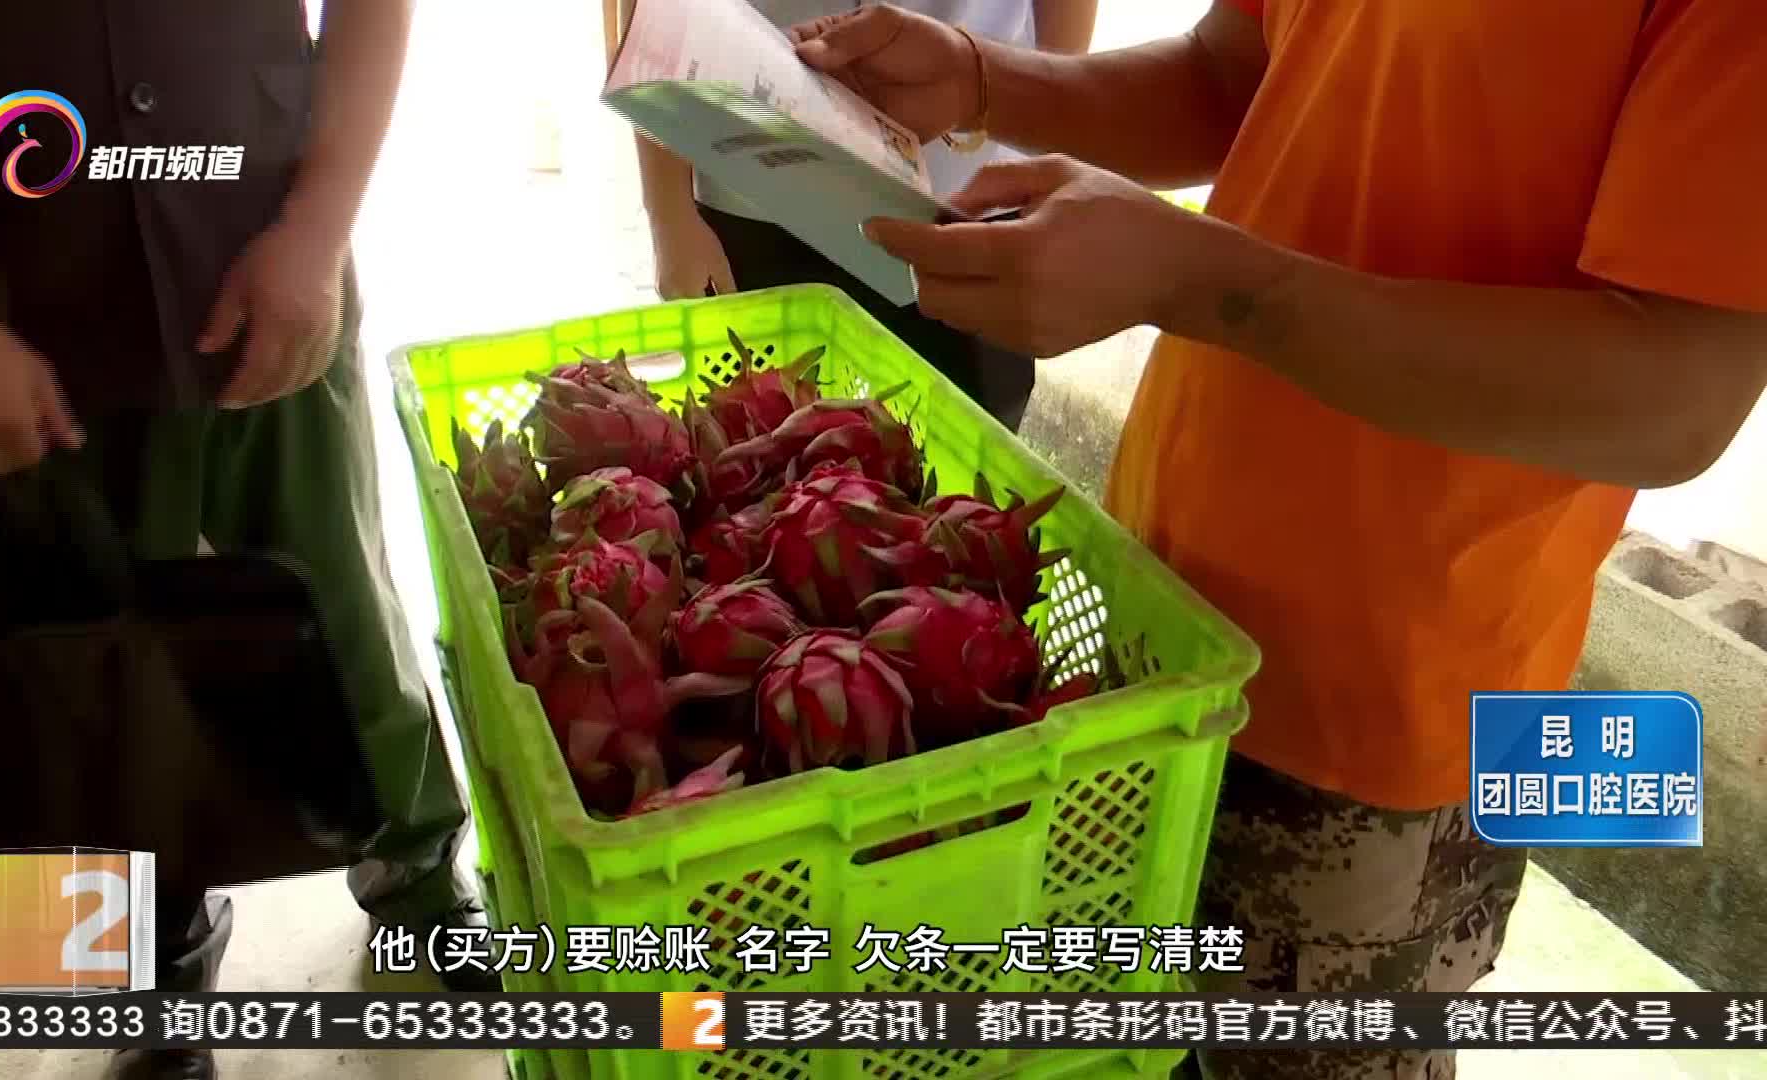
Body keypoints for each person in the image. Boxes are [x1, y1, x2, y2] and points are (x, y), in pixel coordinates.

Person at [791, 2, 1767, 1078]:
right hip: (1163, 624)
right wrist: (984, 82)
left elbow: (1675, 394)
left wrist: (1202, 283)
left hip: (1380, 718)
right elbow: (1229, 76)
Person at [0, 4, 496, 1077]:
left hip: (257, 253)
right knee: (45, 667)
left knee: (341, 610)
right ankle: (130, 981)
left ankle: (420, 873)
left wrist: (319, 230)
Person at [607, 0, 1099, 433]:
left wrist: (1040, 123)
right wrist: (669, 213)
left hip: (971, 192)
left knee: (961, 448)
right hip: (753, 177)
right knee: (754, 442)